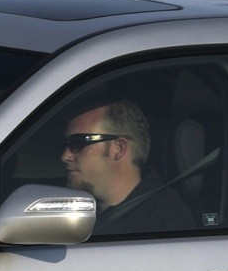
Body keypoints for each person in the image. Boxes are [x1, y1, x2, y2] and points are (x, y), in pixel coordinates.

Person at [60, 100, 194, 235]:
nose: (65, 156)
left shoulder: (163, 223)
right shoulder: (81, 213)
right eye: (66, 145)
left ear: (118, 148)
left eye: (77, 143)